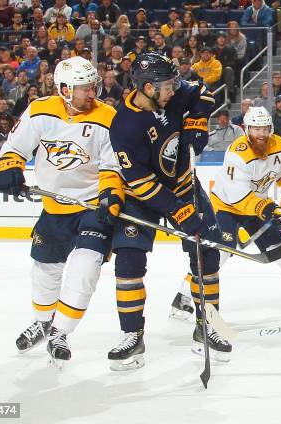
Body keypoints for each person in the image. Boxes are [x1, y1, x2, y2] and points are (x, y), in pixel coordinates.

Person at [0, 56, 122, 368]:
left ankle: (60, 332)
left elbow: (112, 164)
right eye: (84, 88)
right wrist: (9, 165)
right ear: (65, 89)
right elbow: (15, 146)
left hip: (91, 206)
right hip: (54, 207)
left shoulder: (108, 117)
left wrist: (110, 194)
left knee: (85, 267)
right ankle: (42, 322)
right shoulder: (40, 110)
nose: (92, 92)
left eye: (94, 85)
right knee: (45, 268)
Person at [107, 53, 231, 369]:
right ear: (148, 87)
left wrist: (197, 119)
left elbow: (203, 91)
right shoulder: (124, 124)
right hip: (142, 196)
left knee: (208, 255)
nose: (174, 90)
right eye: (168, 85)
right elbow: (140, 181)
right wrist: (178, 211)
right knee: (128, 261)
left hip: (184, 184)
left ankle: (208, 325)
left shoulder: (172, 95)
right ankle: (132, 335)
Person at [169, 106, 281, 320]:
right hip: (226, 206)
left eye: (265, 129)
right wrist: (265, 208)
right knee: (217, 255)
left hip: (257, 205)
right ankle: (183, 298)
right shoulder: (237, 153)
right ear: (247, 129)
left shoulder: (280, 145)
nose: (261, 134)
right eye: (256, 129)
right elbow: (237, 195)